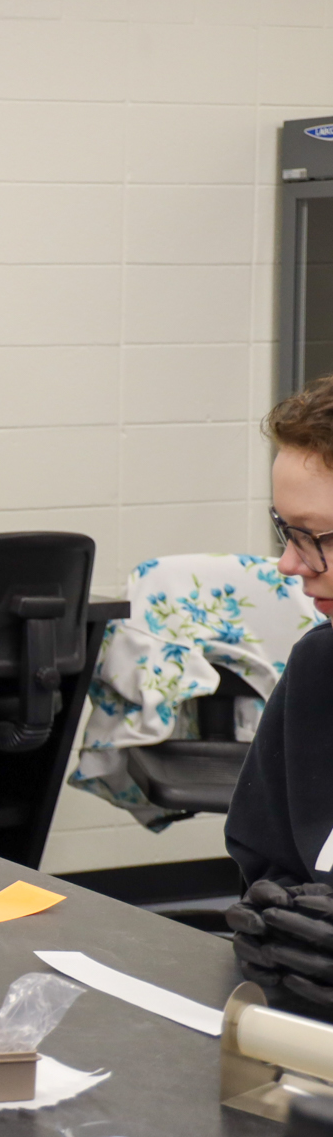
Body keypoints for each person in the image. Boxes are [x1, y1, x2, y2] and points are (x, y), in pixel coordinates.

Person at [226, 377, 333, 1014]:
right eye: (283, 531)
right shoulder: (319, 669)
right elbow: (265, 864)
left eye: (315, 535)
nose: (291, 564)